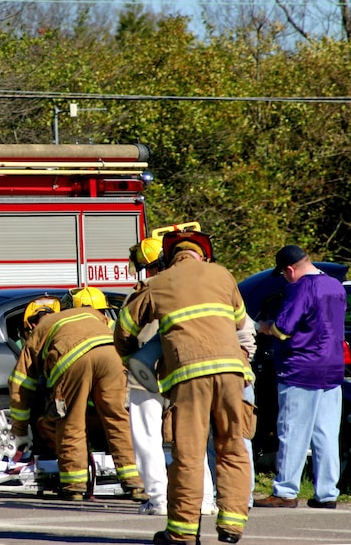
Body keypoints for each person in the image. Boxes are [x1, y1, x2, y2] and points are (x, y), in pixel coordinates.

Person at [114, 230, 252, 545]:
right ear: (202, 255)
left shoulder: (157, 283)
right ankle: (231, 525)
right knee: (232, 445)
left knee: (188, 453)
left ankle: (182, 532)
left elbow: (123, 329)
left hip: (189, 376)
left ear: (168, 258)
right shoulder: (222, 275)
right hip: (232, 372)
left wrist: (134, 356)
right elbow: (241, 323)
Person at [8, 287, 146, 502]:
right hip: (111, 354)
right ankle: (134, 484)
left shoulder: (43, 327)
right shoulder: (95, 315)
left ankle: (74, 487)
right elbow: (120, 333)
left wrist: (19, 431)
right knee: (117, 419)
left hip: (71, 357)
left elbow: (20, 383)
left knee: (71, 422)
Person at [126, 237, 219, 517]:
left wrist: (127, 359)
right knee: (192, 437)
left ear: (150, 266)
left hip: (147, 374)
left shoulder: (150, 289)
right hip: (185, 369)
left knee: (146, 437)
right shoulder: (199, 287)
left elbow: (125, 329)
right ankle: (205, 499)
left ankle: (159, 499)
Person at [253, 245, 346, 509]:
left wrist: (262, 326)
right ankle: (327, 493)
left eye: (283, 273)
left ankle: (285, 491)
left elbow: (283, 328)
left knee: (292, 430)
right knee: (326, 433)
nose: (284, 278)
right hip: (332, 368)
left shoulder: (300, 288)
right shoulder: (335, 286)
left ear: (290, 269)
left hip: (301, 368)